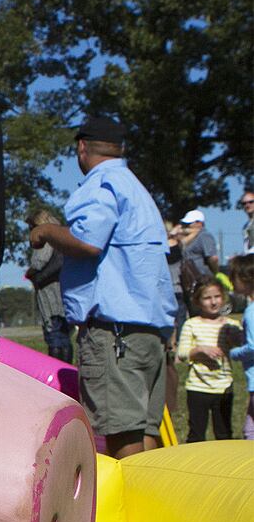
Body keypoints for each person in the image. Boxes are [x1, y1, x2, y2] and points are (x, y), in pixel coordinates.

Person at [28, 116, 175, 459]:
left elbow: (87, 241)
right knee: (145, 430)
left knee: (121, 431)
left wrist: (46, 232)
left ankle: (133, 495)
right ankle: (148, 491)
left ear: (82, 148)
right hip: (150, 331)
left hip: (114, 334)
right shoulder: (136, 189)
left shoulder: (101, 184)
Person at [176, 278, 237, 442]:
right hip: (198, 387)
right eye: (207, 298)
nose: (213, 302)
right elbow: (182, 353)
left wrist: (234, 339)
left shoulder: (230, 324)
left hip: (224, 387)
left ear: (223, 297)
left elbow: (241, 346)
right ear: (197, 301)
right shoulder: (191, 324)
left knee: (224, 433)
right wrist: (200, 350)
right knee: (196, 434)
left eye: (217, 296)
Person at [24, 207, 72, 363]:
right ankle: (67, 369)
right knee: (64, 336)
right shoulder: (62, 235)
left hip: (49, 293)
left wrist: (30, 272)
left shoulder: (46, 237)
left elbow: (39, 262)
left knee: (54, 335)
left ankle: (56, 369)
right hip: (63, 291)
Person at [224, 254, 254, 439]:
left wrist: (233, 352)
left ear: (246, 278)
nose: (231, 281)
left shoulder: (251, 312)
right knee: (249, 429)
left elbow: (253, 346)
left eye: (233, 277)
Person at [178, 208, 219, 308]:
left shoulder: (205, 236)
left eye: (189, 223)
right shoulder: (189, 237)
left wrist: (215, 273)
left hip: (203, 278)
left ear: (199, 223)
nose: (186, 226)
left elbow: (213, 258)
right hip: (190, 280)